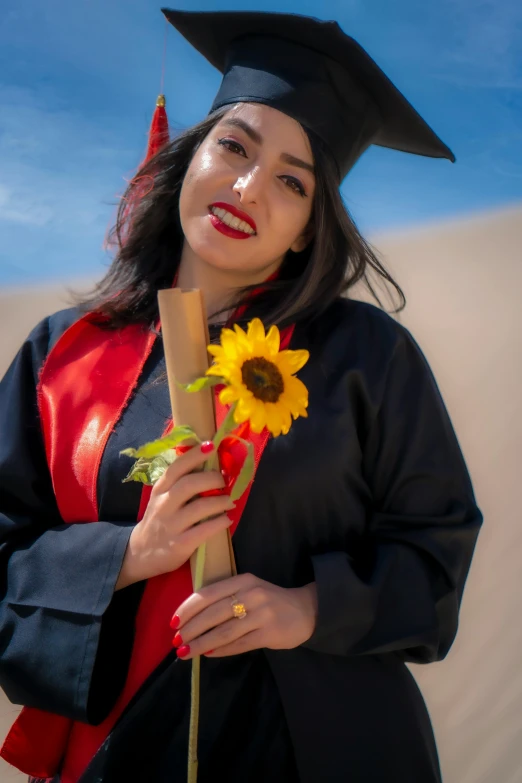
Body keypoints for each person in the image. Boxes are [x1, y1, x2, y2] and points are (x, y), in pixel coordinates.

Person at [0, 8, 482, 783]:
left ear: (304, 228)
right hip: (121, 750)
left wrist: (308, 608)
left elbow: (435, 555)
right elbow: (5, 553)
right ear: (189, 159)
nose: (250, 186)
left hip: (322, 747)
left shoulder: (367, 357)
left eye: (293, 181)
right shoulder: (64, 355)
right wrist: (127, 555)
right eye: (234, 145)